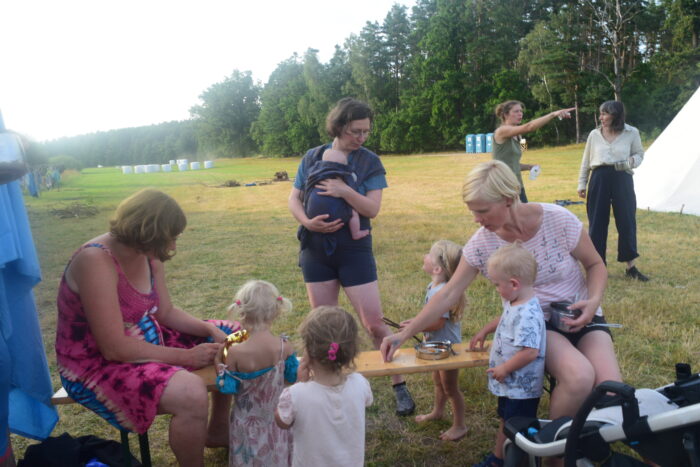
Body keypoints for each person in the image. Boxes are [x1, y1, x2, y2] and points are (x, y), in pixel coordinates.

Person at [380, 160, 622, 435]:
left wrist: (593, 302)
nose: (476, 219)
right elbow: (449, 292)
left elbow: (595, 264)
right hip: (536, 324)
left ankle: (587, 439)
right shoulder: (483, 242)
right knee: (579, 377)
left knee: (612, 392)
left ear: (508, 199)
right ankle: (556, 452)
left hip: (581, 315)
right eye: (473, 211)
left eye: (482, 210)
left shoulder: (558, 219)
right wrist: (404, 334)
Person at [55, 189, 239, 467]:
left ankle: (217, 430)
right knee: (189, 392)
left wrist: (208, 329)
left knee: (233, 336)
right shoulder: (95, 261)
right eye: (170, 238)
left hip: (143, 338)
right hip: (95, 364)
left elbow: (165, 312)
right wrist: (187, 357)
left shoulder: (150, 255)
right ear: (146, 233)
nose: (173, 246)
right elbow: (113, 347)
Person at [288, 97, 415, 415]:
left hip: (354, 251)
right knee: (325, 323)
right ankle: (329, 387)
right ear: (339, 126)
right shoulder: (312, 156)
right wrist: (307, 222)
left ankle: (398, 384)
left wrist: (344, 191)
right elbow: (294, 199)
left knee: (373, 323)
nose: (361, 137)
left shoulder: (369, 162)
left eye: (366, 131)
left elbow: (372, 208)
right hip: (316, 250)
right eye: (355, 131)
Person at [471, 242, 546, 467]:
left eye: (497, 284)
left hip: (521, 388)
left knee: (517, 428)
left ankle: (509, 461)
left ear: (514, 284)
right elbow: (505, 317)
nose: (496, 289)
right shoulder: (515, 302)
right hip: (511, 386)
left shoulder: (528, 314)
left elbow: (530, 352)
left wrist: (505, 368)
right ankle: (499, 458)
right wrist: (486, 329)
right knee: (507, 420)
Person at [275, 306, 373, 467]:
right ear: (352, 351)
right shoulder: (360, 383)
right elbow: (367, 401)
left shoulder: (296, 394)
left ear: (308, 351)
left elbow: (282, 421)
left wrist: (300, 383)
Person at [214, 280, 297, 467]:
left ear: (241, 313)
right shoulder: (284, 347)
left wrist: (218, 361)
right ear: (276, 312)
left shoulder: (234, 352)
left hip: (246, 424)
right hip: (278, 420)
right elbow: (292, 377)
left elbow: (227, 387)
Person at [577, 100, 648, 281]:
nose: (600, 117)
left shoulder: (631, 132)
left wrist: (631, 161)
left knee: (626, 221)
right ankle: (598, 267)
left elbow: (640, 154)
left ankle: (631, 267)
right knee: (597, 223)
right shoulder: (594, 135)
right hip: (599, 179)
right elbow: (586, 160)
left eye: (604, 113)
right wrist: (582, 183)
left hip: (622, 178)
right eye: (600, 113)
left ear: (615, 115)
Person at [407, 240, 467, 441]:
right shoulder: (433, 286)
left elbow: (437, 323)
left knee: (450, 388)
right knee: (438, 382)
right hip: (436, 347)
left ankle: (460, 426)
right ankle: (437, 412)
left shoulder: (441, 291)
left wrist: (414, 327)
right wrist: (414, 322)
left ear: (437, 269)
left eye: (428, 254)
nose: (424, 256)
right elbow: (429, 317)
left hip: (448, 349)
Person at [492, 100, 575, 202]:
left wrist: (529, 167)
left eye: (521, 111)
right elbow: (529, 127)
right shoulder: (502, 131)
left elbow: (513, 163)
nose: (520, 114)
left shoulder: (519, 135)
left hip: (517, 185)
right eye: (516, 111)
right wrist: (553, 114)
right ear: (505, 114)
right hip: (504, 187)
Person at [303, 148, 369, 246]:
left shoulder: (315, 172)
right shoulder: (344, 174)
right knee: (354, 212)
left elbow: (307, 186)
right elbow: (352, 188)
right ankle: (356, 233)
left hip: (312, 213)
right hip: (335, 215)